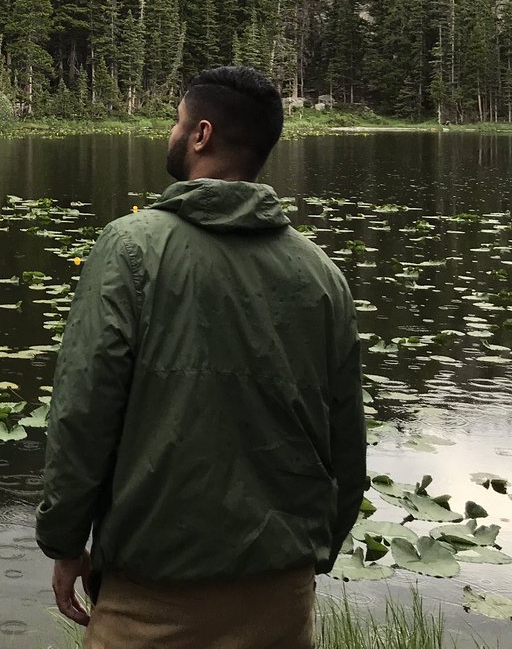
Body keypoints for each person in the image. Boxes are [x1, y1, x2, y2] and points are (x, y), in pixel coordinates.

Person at [36, 65, 366, 649]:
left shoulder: (128, 248)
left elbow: (82, 413)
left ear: (201, 135)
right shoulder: (323, 276)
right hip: (282, 597)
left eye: (176, 120)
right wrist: (310, 559)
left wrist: (65, 543)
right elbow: (347, 443)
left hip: (153, 597)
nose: (170, 130)